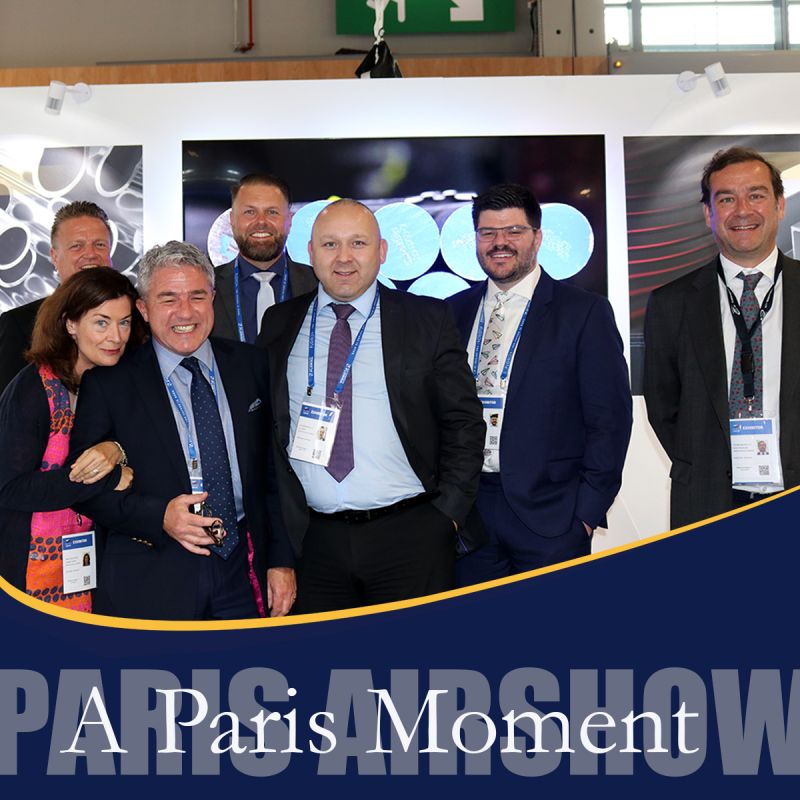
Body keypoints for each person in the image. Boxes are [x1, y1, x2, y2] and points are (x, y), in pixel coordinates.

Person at [258, 199, 484, 613]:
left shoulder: (427, 319)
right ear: (310, 254)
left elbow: (464, 423)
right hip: (313, 542)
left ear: (381, 251)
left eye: (358, 243)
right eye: (329, 244)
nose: (343, 258)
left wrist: (446, 516)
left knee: (412, 671)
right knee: (326, 672)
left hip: (411, 536)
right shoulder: (278, 322)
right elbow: (268, 437)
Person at [67, 241, 296, 620]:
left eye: (197, 296)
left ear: (212, 299)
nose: (185, 312)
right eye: (168, 298)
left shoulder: (252, 366)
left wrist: (280, 560)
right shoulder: (109, 384)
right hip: (151, 575)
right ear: (143, 308)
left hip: (244, 572)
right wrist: (159, 516)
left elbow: (273, 473)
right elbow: (83, 490)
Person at [448, 184, 632, 584]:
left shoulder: (584, 313)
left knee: (551, 642)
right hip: (468, 516)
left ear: (538, 237)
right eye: (487, 233)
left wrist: (584, 515)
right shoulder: (451, 312)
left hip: (551, 516)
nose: (500, 243)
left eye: (514, 231)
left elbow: (610, 421)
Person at [644, 146, 800, 528]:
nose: (742, 210)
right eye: (726, 198)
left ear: (780, 205)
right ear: (707, 213)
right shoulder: (671, 302)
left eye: (756, 195)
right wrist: (704, 462)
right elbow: (663, 406)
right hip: (707, 500)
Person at [0, 268, 143, 609]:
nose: (116, 336)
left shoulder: (121, 381)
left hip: (99, 564)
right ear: (71, 325)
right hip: (28, 569)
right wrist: (104, 479)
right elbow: (10, 488)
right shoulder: (33, 388)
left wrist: (117, 450)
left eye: (124, 322)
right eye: (101, 322)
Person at [0, 201, 114, 395]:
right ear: (54, 256)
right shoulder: (18, 325)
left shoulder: (138, 321)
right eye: (77, 246)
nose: (91, 254)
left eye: (100, 245)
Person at [212, 174, 317, 343]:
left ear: (289, 221)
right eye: (250, 212)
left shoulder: (318, 285)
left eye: (272, 212)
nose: (261, 221)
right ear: (232, 221)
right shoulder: (207, 286)